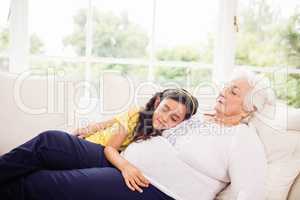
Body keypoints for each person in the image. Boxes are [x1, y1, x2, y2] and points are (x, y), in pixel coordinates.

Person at [1, 69, 273, 200]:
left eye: (233, 91)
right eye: (226, 86)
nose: (223, 91)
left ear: (249, 106)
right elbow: (144, 118)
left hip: (152, 188)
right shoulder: (200, 117)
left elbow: (249, 194)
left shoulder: (243, 139)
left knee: (43, 184)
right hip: (122, 162)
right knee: (51, 141)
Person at [0, 88, 198, 200]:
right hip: (102, 148)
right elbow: (110, 148)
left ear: (181, 123)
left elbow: (112, 122)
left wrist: (93, 126)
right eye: (165, 109)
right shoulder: (137, 116)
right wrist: (125, 166)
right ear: (156, 103)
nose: (165, 118)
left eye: (174, 118)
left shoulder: (167, 136)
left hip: (106, 157)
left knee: (39, 175)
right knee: (49, 141)